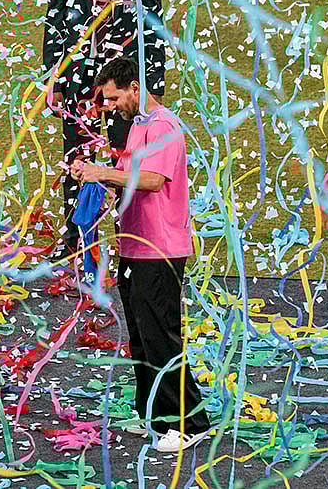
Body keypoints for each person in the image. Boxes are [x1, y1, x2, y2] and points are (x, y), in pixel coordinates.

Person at [71, 57, 211, 454]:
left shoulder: (163, 125)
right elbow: (129, 178)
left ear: (135, 88)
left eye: (114, 98)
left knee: (161, 335)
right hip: (135, 244)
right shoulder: (138, 125)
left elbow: (151, 180)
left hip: (159, 248)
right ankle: (154, 414)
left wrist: (103, 173)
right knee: (142, 336)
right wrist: (96, 180)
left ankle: (188, 422)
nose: (110, 106)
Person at [42, 0, 167, 265]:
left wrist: (153, 85)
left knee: (125, 158)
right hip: (79, 82)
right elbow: (54, 26)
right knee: (76, 159)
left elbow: (154, 28)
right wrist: (53, 79)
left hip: (124, 86)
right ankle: (76, 238)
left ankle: (130, 234)